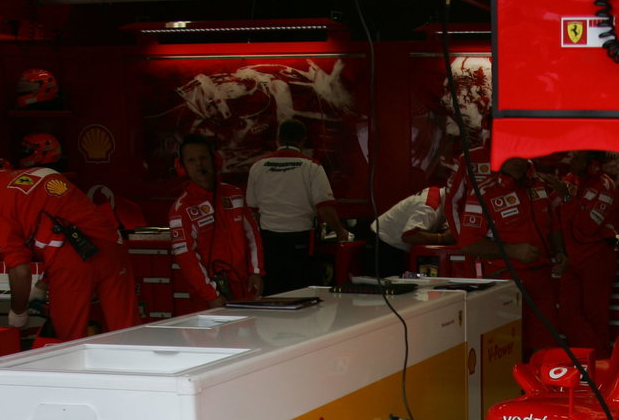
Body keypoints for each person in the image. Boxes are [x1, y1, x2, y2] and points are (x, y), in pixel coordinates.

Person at [0, 149, 139, 341]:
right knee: (128, 332)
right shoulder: (42, 172)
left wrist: (18, 313)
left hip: (71, 261)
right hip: (112, 246)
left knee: (71, 342)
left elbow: (20, 270)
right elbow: (69, 220)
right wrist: (43, 285)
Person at [461, 156, 565, 355]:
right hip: (504, 280)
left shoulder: (540, 184)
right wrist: (512, 250)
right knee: (505, 348)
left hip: (542, 279)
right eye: (514, 153)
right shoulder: (483, 191)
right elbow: (468, 244)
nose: (520, 159)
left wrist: (560, 251)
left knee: (546, 348)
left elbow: (553, 223)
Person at [245, 118, 349, 294]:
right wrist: (341, 232)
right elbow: (325, 207)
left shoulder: (257, 167)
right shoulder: (311, 167)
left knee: (274, 294)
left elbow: (252, 213)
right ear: (302, 140)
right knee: (305, 293)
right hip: (301, 242)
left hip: (269, 243)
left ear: (278, 138)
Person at [168, 134, 264, 306]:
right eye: (191, 160)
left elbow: (252, 234)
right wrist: (211, 295)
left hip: (244, 288)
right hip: (210, 298)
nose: (199, 164)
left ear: (215, 160)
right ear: (181, 167)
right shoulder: (180, 210)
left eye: (203, 158)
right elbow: (186, 258)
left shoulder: (234, 195)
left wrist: (256, 271)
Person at [549, 150, 619, 352]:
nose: (572, 160)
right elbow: (552, 209)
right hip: (572, 258)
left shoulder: (606, 187)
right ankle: (586, 360)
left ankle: (599, 364)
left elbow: (588, 226)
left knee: (595, 316)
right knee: (566, 315)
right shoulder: (570, 180)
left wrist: (567, 198)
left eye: (578, 158)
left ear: (593, 165)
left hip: (597, 258)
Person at [365, 186, 453, 279]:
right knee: (396, 287)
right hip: (383, 247)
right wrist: (442, 238)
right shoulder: (429, 205)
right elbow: (409, 235)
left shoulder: (440, 196)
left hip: (393, 245)